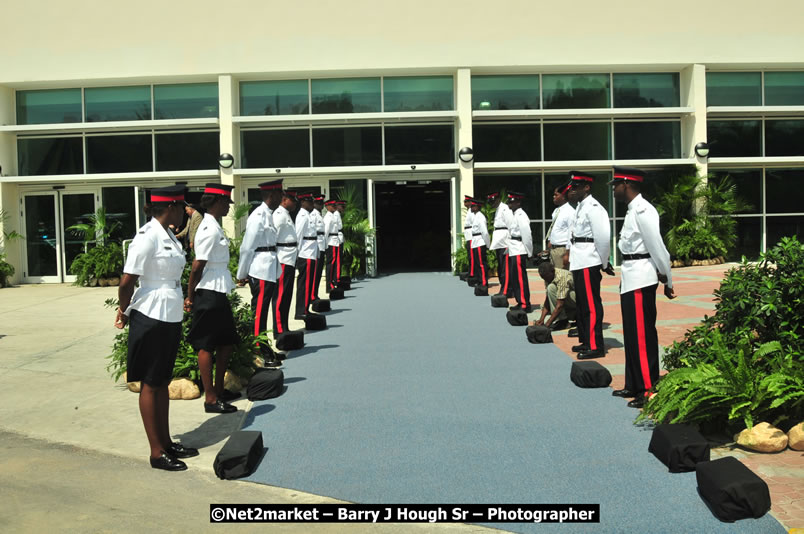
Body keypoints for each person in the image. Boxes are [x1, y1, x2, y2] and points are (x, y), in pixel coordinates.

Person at [115, 185, 197, 471]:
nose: (183, 211)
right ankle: (155, 451)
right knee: (151, 382)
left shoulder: (169, 235)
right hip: (150, 313)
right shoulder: (146, 237)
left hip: (169, 311)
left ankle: (167, 441)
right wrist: (123, 311)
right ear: (171, 206)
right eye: (181, 206)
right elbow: (127, 280)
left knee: (162, 380)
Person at [609, 166, 676, 408]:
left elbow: (658, 248)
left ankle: (648, 388)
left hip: (641, 277)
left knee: (642, 335)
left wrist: (668, 280)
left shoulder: (644, 210)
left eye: (615, 185)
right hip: (630, 276)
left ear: (626, 184)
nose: (614, 190)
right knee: (631, 334)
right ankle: (634, 383)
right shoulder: (632, 211)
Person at [185, 184, 239, 414]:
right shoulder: (208, 227)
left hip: (218, 289)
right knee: (206, 344)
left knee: (226, 341)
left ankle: (218, 389)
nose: (228, 206)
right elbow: (198, 265)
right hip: (208, 292)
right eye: (226, 202)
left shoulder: (214, 225)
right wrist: (189, 296)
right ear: (216, 202)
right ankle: (210, 398)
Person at [567, 171, 614, 360]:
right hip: (579, 259)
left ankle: (596, 345)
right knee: (582, 305)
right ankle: (586, 340)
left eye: (577, 187)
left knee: (591, 305)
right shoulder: (581, 207)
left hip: (589, 259)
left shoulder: (594, 207)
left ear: (587, 187)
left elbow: (602, 238)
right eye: (572, 187)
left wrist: (604, 262)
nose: (573, 190)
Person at [236, 179, 283, 368]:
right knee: (259, 312)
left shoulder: (268, 214)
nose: (282, 197)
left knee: (264, 311)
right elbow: (247, 248)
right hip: (260, 268)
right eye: (280, 194)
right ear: (271, 195)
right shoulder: (258, 215)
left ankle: (264, 346)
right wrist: (242, 273)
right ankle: (258, 351)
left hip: (269, 266)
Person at [272, 190, 299, 335]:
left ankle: (284, 326)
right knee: (281, 296)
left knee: (287, 296)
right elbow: (273, 238)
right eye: (292, 200)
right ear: (284, 200)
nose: (295, 203)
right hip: (282, 258)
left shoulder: (286, 214)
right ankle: (279, 329)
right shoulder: (279, 215)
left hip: (289, 258)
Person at [506, 191, 533, 312]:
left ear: (518, 202)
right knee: (515, 278)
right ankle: (519, 301)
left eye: (511, 202)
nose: (509, 204)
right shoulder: (515, 215)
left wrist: (529, 252)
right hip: (514, 248)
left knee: (520, 279)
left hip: (519, 249)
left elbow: (526, 235)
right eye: (509, 202)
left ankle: (524, 303)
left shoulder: (521, 215)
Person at [294, 193, 319, 319]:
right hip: (305, 253)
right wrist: (297, 255)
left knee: (308, 283)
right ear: (302, 202)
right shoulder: (302, 216)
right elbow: (298, 236)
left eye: (312, 202)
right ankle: (301, 310)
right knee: (305, 284)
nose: (311, 204)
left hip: (311, 251)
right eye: (309, 202)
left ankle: (305, 308)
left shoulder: (308, 215)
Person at [533, 262, 576, 331]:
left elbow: (560, 305)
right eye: (543, 278)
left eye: (546, 277)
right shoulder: (548, 276)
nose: (545, 280)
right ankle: (562, 320)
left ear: (552, 272)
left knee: (552, 289)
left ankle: (563, 321)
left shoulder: (561, 277)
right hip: (567, 301)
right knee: (551, 289)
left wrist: (547, 324)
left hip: (579, 302)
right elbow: (548, 299)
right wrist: (541, 319)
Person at [487, 191, 514, 297]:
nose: (492, 204)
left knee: (505, 269)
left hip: (505, 241)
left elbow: (511, 226)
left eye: (493, 201)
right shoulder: (498, 209)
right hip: (499, 242)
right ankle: (505, 288)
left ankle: (506, 290)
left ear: (498, 199)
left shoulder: (505, 209)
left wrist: (510, 243)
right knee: (501, 268)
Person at [545, 183, 574, 270]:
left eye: (556, 195)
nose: (554, 197)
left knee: (562, 279)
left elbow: (571, 234)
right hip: (554, 249)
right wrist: (550, 241)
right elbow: (554, 227)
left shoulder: (570, 212)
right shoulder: (556, 210)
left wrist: (567, 254)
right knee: (553, 278)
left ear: (564, 196)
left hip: (562, 249)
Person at [469, 198, 490, 289]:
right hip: (475, 241)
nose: (471, 208)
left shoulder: (480, 216)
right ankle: (479, 280)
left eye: (473, 206)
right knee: (478, 264)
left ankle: (484, 282)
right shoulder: (476, 216)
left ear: (477, 207)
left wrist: (487, 244)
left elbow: (484, 232)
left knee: (481, 264)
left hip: (480, 241)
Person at [310, 194, 327, 302]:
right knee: (315, 273)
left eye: (322, 203)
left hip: (321, 245)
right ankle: (312, 295)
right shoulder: (313, 215)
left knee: (319, 273)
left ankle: (315, 294)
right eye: (319, 203)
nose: (321, 205)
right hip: (317, 245)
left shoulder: (319, 215)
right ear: (314, 204)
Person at [323, 200, 340, 292]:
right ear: (327, 206)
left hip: (334, 241)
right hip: (330, 242)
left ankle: (332, 282)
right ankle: (329, 284)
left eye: (335, 205)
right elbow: (326, 232)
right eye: (333, 205)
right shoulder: (328, 217)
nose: (335, 207)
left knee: (333, 263)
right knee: (331, 264)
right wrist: (325, 245)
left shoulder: (332, 216)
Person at [462, 195, 474, 281]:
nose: (464, 203)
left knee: (472, 256)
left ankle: (472, 274)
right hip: (468, 234)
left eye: (466, 201)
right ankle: (471, 272)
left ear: (470, 202)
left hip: (471, 235)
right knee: (470, 256)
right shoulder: (469, 211)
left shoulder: (472, 211)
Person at [335, 200, 346, 286]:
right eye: (342, 207)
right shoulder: (335, 214)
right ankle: (337, 279)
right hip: (336, 238)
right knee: (338, 260)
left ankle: (338, 277)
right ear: (338, 206)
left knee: (340, 259)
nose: (343, 209)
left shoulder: (338, 214)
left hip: (340, 236)